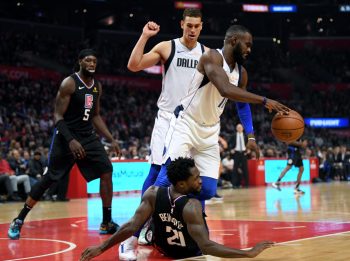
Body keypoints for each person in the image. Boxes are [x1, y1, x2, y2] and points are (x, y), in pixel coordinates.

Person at [154, 24, 289, 205]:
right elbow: (225, 89)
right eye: (247, 45)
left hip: (210, 131)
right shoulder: (212, 57)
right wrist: (264, 100)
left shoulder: (242, 73)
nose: (249, 50)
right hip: (185, 124)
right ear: (234, 41)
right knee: (166, 178)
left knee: (207, 189)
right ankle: (144, 227)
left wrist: (251, 137)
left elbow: (242, 106)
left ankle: (185, 217)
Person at [8, 49, 121, 240]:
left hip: (88, 136)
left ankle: (106, 222)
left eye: (94, 61)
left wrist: (111, 138)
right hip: (65, 136)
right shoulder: (69, 83)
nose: (92, 64)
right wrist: (71, 141)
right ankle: (19, 219)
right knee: (49, 179)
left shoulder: (97, 87)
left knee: (106, 170)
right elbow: (58, 116)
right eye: (88, 61)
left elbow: (95, 116)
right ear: (80, 62)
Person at [80, 158, 274, 261]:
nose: (201, 180)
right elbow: (207, 247)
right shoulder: (192, 206)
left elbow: (130, 227)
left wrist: (101, 248)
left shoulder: (153, 193)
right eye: (196, 178)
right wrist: (247, 253)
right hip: (190, 256)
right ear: (181, 184)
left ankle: (149, 234)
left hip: (163, 250)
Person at [126, 8, 209, 248]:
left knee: (195, 177)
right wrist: (144, 36)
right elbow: (134, 65)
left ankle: (196, 230)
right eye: (188, 25)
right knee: (155, 173)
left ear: (201, 26)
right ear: (182, 24)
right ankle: (139, 229)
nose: (192, 30)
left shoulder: (207, 54)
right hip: (167, 119)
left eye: (196, 26)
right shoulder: (167, 47)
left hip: (193, 122)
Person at [231, 123, 249, 188]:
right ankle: (234, 184)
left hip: (244, 153)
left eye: (240, 127)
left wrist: (248, 150)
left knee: (245, 169)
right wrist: (231, 149)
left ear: (243, 128)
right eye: (238, 128)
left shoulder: (245, 135)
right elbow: (230, 143)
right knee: (235, 169)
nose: (239, 129)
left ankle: (247, 184)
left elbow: (249, 144)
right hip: (236, 153)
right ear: (236, 129)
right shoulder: (233, 135)